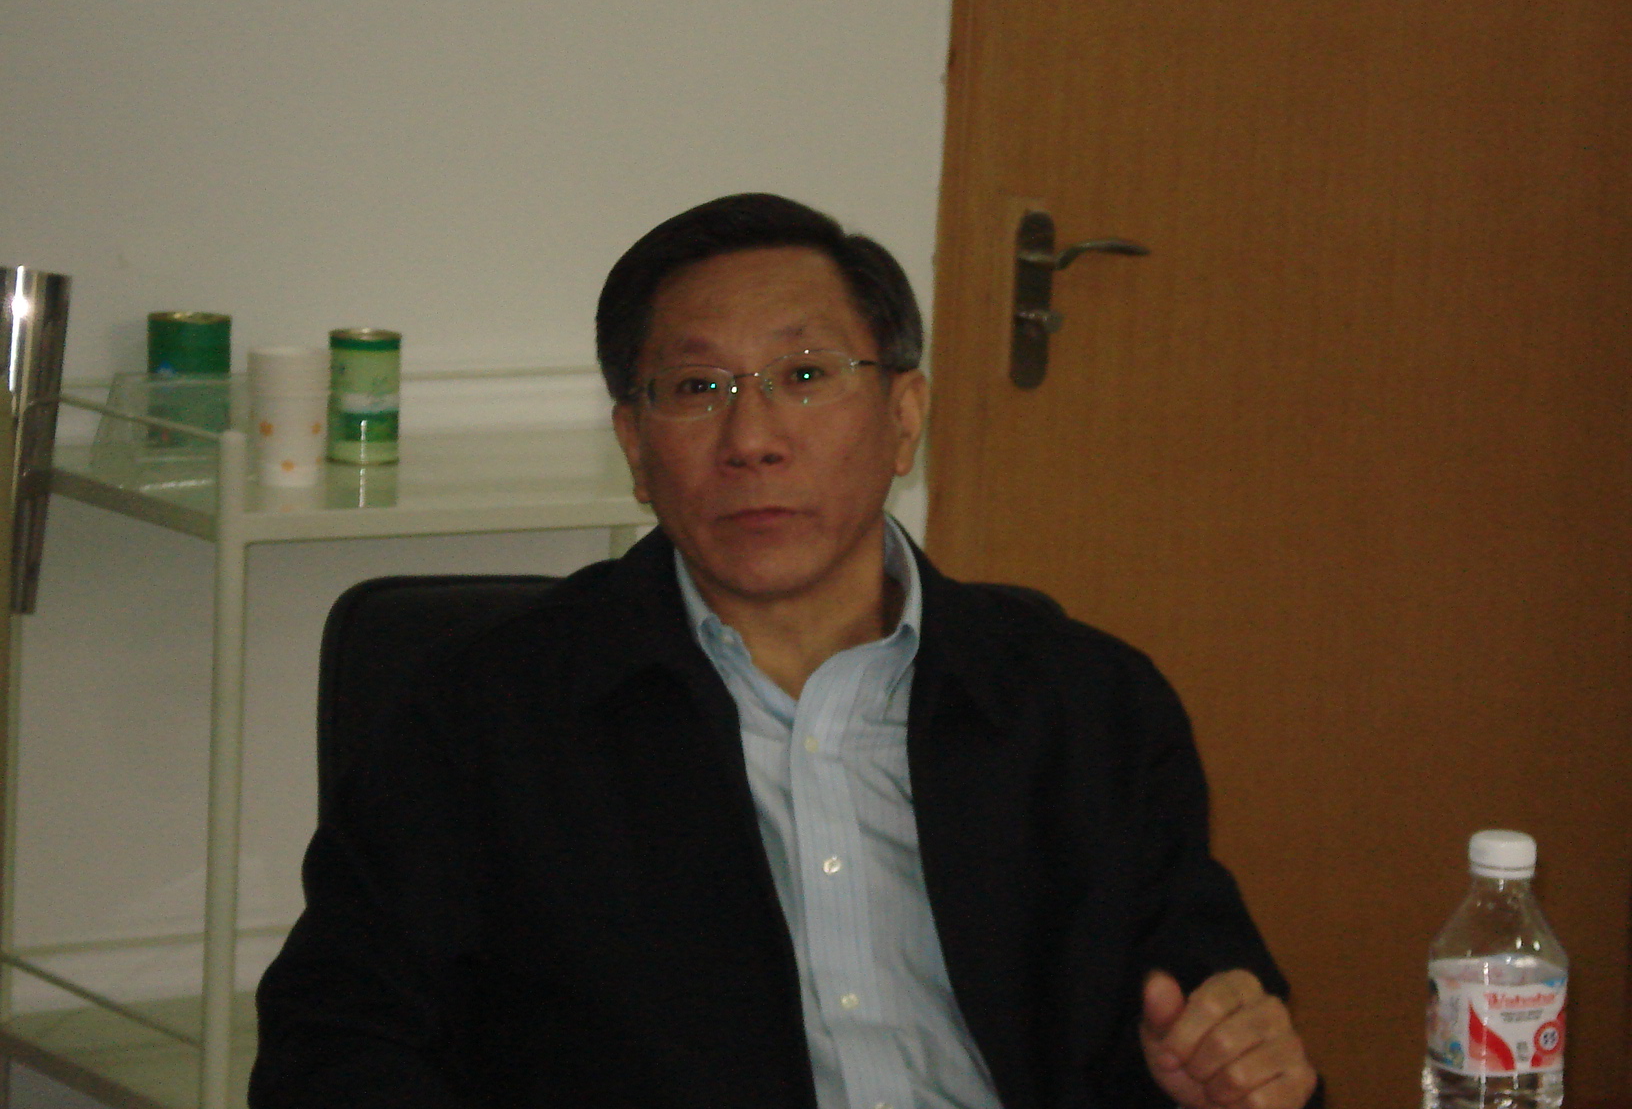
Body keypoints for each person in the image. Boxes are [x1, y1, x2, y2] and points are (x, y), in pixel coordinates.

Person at [251, 193, 1321, 1109]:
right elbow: (334, 1047)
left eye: (805, 375)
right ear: (635, 448)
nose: (752, 438)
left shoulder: (1085, 706)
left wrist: (1236, 1072)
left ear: (903, 417)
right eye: (696, 388)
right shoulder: (484, 717)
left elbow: (1208, 1023)